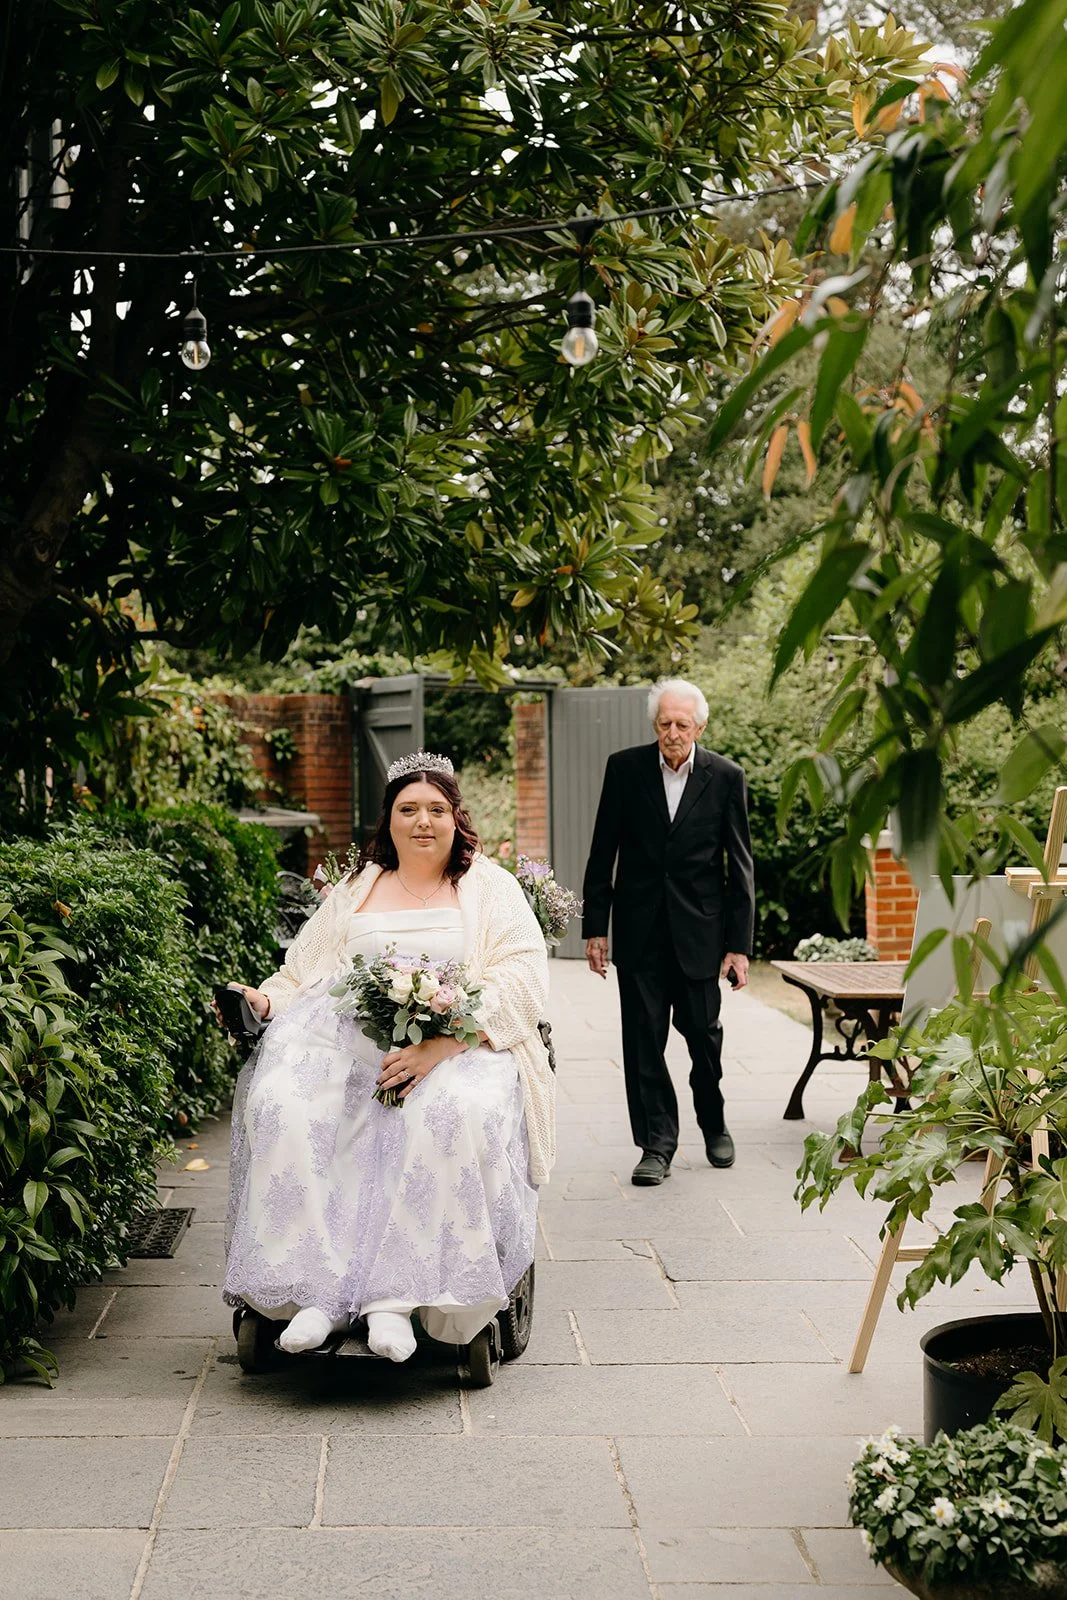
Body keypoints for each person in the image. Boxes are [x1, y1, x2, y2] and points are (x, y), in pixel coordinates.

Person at [222, 751, 554, 1360]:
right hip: (344, 1045)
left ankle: (398, 1299)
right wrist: (264, 1002)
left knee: (449, 1114)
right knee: (285, 1104)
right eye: (408, 809)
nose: (422, 821)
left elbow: (525, 981)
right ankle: (313, 1293)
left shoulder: (489, 886)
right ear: (389, 819)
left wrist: (440, 1045)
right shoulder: (358, 888)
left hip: (459, 1046)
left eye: (436, 809)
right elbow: (302, 972)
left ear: (456, 818)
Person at [582, 680, 754, 1186]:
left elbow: (740, 866)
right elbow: (602, 852)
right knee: (643, 1044)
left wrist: (738, 947)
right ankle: (656, 1145)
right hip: (639, 932)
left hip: (701, 931)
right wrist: (596, 928)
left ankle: (713, 1118)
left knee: (703, 1037)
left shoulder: (726, 777)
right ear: (654, 725)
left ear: (700, 727)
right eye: (664, 723)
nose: (672, 733)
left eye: (682, 724)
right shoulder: (625, 768)